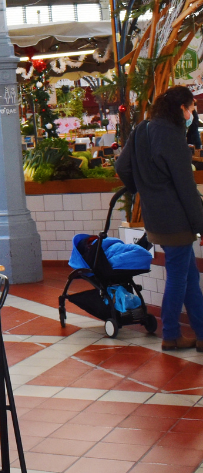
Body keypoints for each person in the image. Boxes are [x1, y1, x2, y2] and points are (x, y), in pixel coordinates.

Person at [116, 86, 203, 350]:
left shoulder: (143, 128)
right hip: (177, 221)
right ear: (181, 109)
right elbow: (186, 188)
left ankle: (200, 333)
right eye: (191, 109)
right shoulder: (173, 136)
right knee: (179, 278)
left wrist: (142, 188)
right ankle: (171, 334)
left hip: (155, 218)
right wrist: (201, 225)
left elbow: (122, 166)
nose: (192, 114)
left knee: (188, 276)